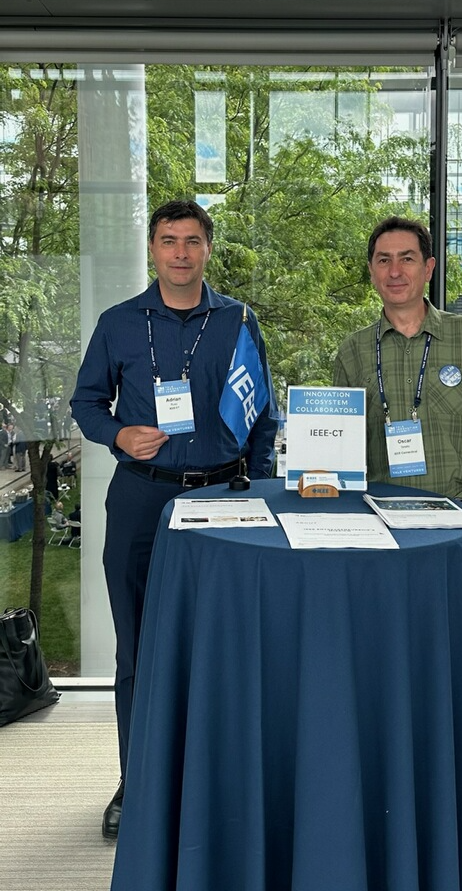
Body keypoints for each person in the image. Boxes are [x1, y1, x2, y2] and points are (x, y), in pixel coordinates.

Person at [70, 199, 279, 841]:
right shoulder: (118, 323)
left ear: (208, 249)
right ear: (153, 250)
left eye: (192, 240)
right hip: (141, 498)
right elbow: (85, 401)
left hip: (222, 500)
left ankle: (221, 781)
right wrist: (115, 434)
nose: (181, 252)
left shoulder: (239, 322)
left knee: (223, 648)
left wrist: (264, 493)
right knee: (137, 647)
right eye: (169, 241)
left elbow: (262, 417)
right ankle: (137, 783)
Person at [333, 215, 462, 537]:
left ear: (428, 268)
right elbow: (341, 446)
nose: (395, 271)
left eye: (407, 259)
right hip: (377, 523)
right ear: (372, 271)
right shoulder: (352, 351)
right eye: (384, 260)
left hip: (457, 518)